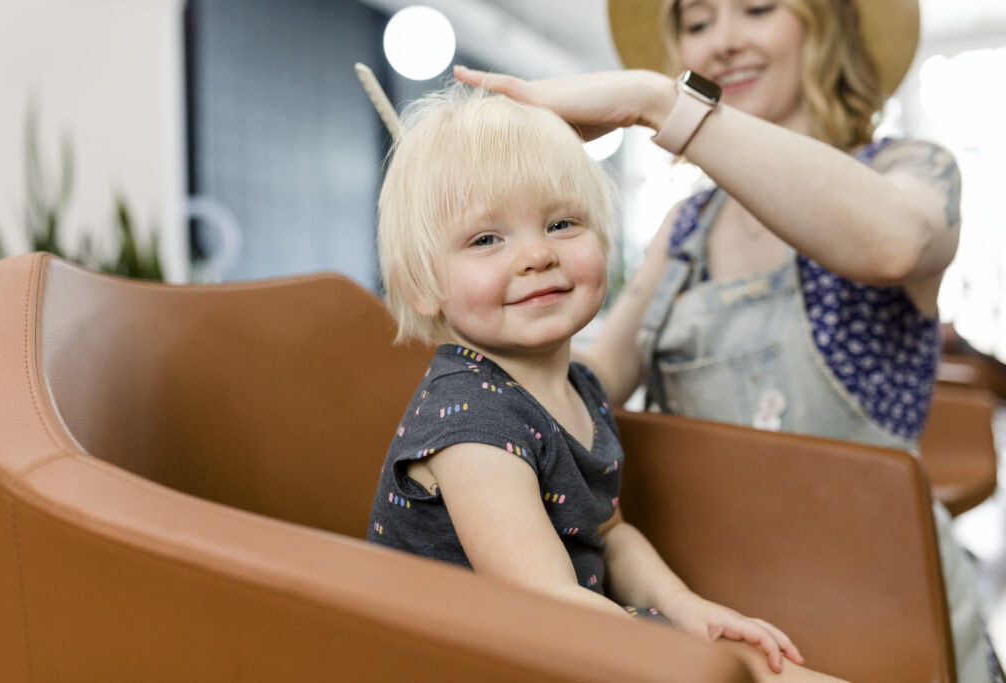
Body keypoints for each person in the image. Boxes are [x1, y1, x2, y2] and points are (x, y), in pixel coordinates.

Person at [454, 0, 1003, 681]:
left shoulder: (911, 169)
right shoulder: (687, 226)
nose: (724, 42)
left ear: (823, 26)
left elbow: (895, 243)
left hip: (886, 613)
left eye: (756, 7)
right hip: (716, 611)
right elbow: (594, 373)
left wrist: (655, 103)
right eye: (698, 21)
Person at [366, 83, 846, 681]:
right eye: (486, 239)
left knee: (767, 667)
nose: (537, 255)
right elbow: (544, 605)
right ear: (421, 285)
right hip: (477, 657)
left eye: (562, 223)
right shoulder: (473, 428)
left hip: (572, 634)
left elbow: (609, 533)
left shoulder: (581, 389)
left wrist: (685, 609)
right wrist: (693, 657)